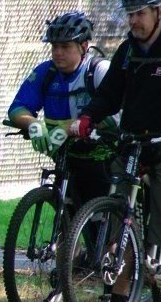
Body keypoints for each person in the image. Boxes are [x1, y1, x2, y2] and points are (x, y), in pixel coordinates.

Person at [70, 0, 161, 302]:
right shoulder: (127, 50)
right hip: (132, 142)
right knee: (119, 219)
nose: (133, 21)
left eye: (139, 13)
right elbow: (109, 93)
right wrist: (87, 118)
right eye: (129, 14)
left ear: (159, 12)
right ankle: (116, 299)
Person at [8, 12, 117, 214]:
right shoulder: (46, 72)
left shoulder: (99, 70)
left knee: (110, 236)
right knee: (65, 226)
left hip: (103, 161)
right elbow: (17, 108)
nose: (58, 52)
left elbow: (116, 115)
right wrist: (33, 123)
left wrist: (68, 129)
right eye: (54, 46)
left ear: (84, 46)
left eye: (65, 46)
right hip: (67, 158)